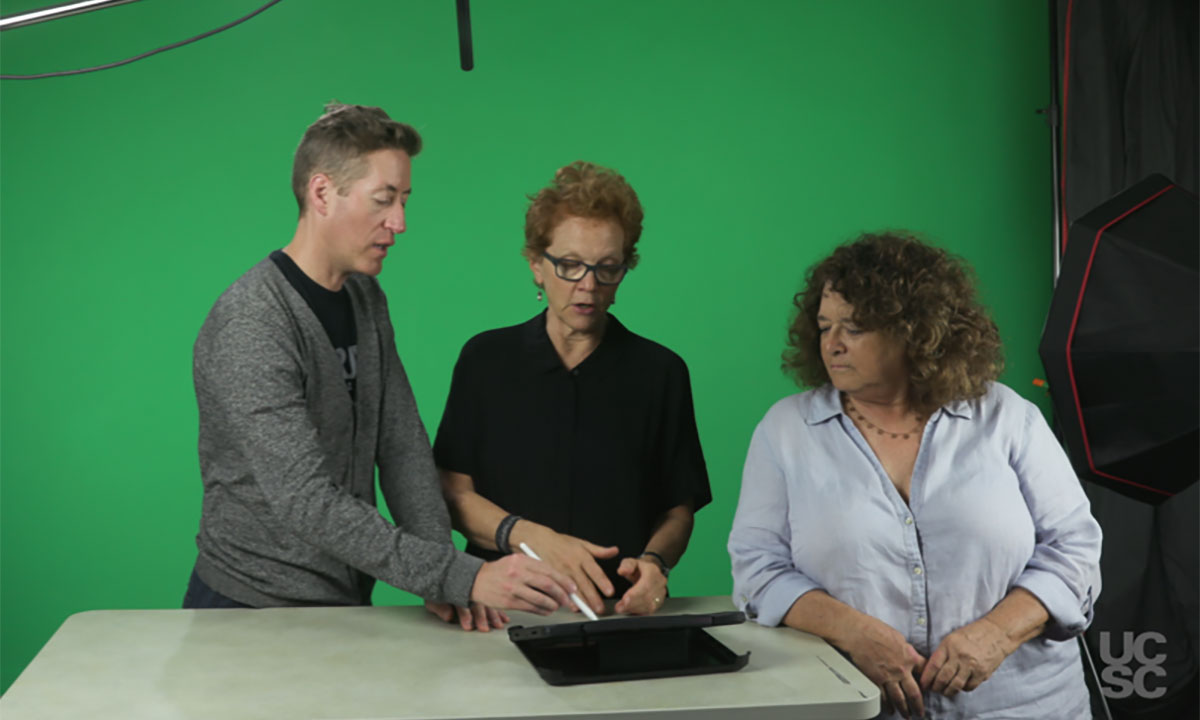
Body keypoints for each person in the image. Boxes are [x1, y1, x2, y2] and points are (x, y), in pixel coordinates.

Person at [184, 102, 578, 630]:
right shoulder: (253, 322)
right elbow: (305, 501)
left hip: (342, 602)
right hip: (249, 609)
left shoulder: (364, 296)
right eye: (383, 200)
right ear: (322, 193)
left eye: (404, 200)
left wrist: (440, 575)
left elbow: (401, 445)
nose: (400, 222)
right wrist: (457, 574)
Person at [727, 232, 1103, 719]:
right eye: (824, 327)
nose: (832, 344)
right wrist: (852, 632)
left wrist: (996, 635)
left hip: (1025, 705)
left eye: (855, 328)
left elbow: (1075, 550)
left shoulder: (1009, 418)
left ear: (914, 330)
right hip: (857, 704)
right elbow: (758, 569)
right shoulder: (786, 430)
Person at [433, 161, 712, 621]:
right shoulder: (485, 359)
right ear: (535, 266)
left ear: (626, 269)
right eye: (569, 265)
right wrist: (531, 538)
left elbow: (677, 512)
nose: (588, 285)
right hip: (498, 611)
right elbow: (451, 492)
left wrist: (654, 565)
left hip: (616, 613)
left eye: (608, 268)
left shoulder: (660, 372)